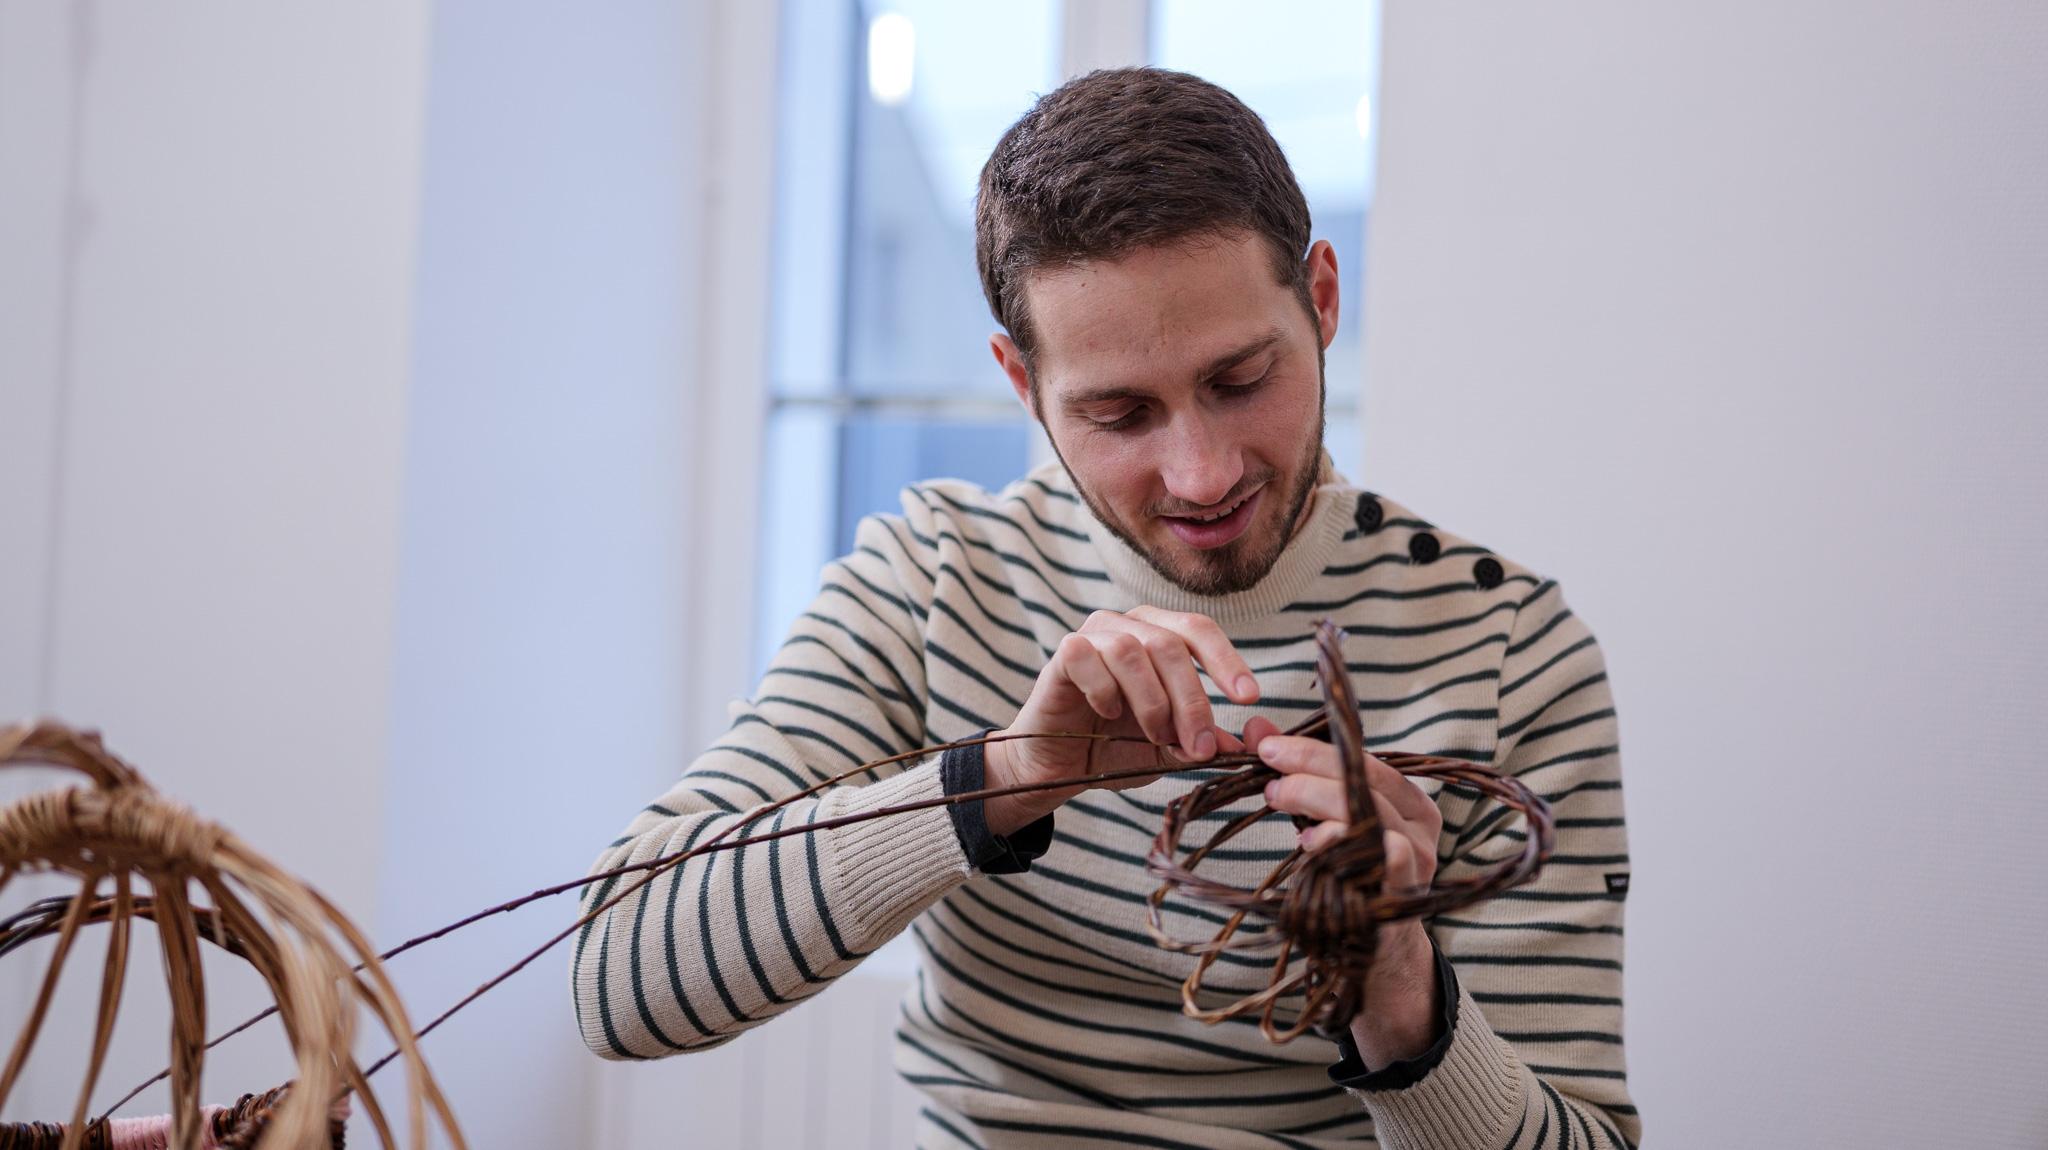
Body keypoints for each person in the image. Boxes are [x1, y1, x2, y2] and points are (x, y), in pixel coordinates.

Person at [572, 68, 1637, 1149]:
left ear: (1320, 298)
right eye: (1119, 413)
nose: (1200, 472)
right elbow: (615, 980)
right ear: (1021, 383)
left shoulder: (1508, 648)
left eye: (1238, 379)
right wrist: (1002, 779)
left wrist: (1401, 988)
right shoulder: (935, 581)